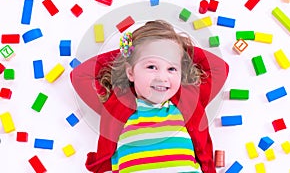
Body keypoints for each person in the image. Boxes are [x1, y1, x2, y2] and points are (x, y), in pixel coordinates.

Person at [70, 20, 229, 173]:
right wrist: (133, 51)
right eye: (151, 66)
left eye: (172, 68)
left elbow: (220, 68)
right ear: (131, 72)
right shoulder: (117, 103)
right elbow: (79, 76)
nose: (162, 77)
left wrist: (177, 47)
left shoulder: (188, 98)